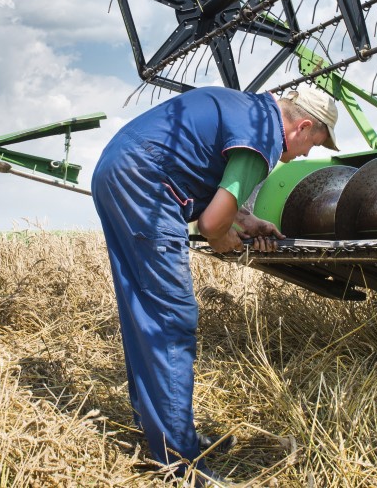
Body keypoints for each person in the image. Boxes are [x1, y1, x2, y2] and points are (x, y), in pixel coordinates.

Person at [91, 86, 339, 481]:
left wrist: (245, 221)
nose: (308, 153)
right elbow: (210, 225)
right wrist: (223, 235)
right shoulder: (264, 137)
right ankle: (181, 463)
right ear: (303, 126)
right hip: (146, 181)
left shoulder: (247, 110)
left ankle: (160, 432)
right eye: (314, 143)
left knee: (144, 310)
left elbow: (201, 171)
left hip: (118, 168)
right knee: (172, 317)